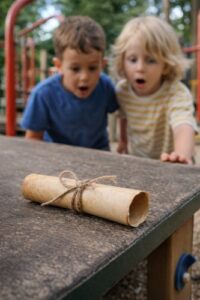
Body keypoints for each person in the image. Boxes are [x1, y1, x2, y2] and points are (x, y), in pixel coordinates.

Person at [21, 16, 118, 150]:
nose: (84, 77)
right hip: (57, 155)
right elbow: (33, 139)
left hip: (98, 153)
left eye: (92, 68)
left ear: (103, 64)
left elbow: (123, 113)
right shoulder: (43, 94)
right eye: (75, 69)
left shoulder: (106, 86)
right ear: (59, 65)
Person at [110, 15, 198, 164]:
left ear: (165, 64)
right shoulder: (123, 91)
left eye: (151, 60)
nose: (140, 68)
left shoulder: (176, 93)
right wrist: (123, 141)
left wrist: (182, 157)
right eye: (132, 59)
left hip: (170, 161)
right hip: (139, 160)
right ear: (122, 62)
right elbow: (123, 116)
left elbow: (183, 125)